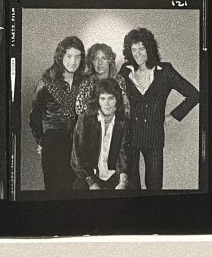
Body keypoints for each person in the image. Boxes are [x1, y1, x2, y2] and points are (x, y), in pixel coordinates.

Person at [119, 28, 199, 190]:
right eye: (133, 50)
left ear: (149, 48)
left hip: (153, 137)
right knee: (131, 186)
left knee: (154, 186)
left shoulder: (165, 71)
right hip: (130, 136)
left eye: (141, 48)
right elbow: (113, 95)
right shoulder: (126, 71)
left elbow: (194, 95)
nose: (137, 53)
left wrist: (172, 115)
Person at [29, 36, 86, 194]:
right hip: (54, 143)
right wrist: (41, 141)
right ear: (60, 57)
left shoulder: (84, 82)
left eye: (77, 57)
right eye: (69, 56)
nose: (73, 61)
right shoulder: (46, 82)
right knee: (55, 192)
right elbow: (34, 117)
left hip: (79, 144)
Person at [70, 77, 131, 191]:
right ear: (97, 100)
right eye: (102, 98)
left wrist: (122, 181)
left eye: (111, 98)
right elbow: (77, 157)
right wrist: (91, 183)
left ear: (117, 99)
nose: (106, 104)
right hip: (88, 177)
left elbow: (124, 154)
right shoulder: (85, 120)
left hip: (114, 178)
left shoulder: (123, 122)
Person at [74, 43, 130, 116]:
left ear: (110, 61)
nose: (99, 63)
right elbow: (79, 109)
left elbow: (125, 108)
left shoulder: (118, 80)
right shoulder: (86, 81)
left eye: (104, 58)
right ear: (91, 62)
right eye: (96, 58)